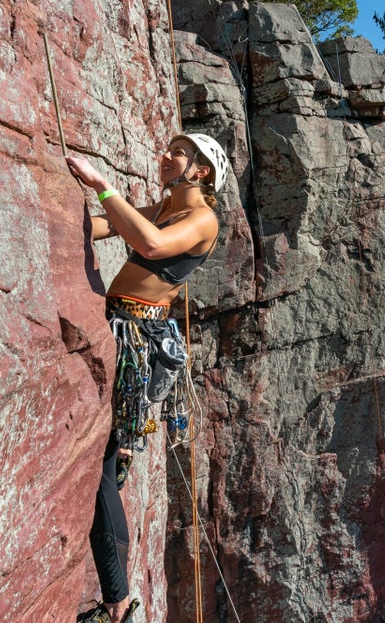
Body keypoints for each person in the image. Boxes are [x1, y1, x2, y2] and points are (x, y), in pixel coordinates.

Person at [65, 132, 230, 623]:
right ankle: (116, 601)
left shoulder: (202, 219)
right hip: (127, 326)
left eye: (176, 152)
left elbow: (150, 244)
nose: (165, 155)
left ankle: (118, 604)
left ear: (199, 170)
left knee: (104, 470)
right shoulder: (163, 205)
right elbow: (113, 227)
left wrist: (101, 184)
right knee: (106, 468)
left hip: (138, 336)